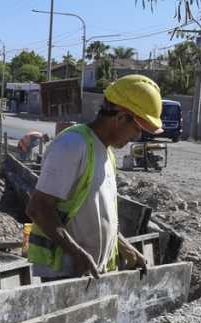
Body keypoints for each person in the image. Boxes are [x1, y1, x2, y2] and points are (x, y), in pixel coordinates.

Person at [26, 74, 160, 280]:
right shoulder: (72, 145)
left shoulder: (106, 153)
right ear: (121, 117)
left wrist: (127, 249)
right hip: (65, 275)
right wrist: (77, 254)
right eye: (137, 129)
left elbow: (98, 215)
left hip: (91, 274)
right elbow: (38, 208)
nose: (137, 137)